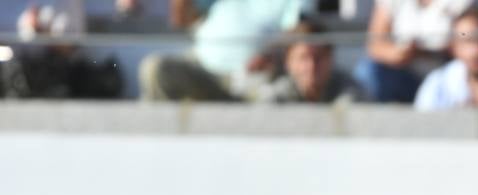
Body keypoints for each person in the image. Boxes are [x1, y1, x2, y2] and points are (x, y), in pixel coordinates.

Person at [139, 0, 308, 101]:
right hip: (203, 69)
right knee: (155, 69)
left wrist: (270, 52)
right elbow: (181, 20)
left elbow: (303, 29)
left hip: (256, 79)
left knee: (273, 100)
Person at [353, 0, 465, 103]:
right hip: (403, 76)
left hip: (444, 75)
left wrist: (423, 52)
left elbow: (467, 40)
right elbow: (374, 46)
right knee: (367, 70)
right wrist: (397, 54)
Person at [256, 16, 366, 103]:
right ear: (288, 61)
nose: (311, 66)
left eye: (318, 57)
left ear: (330, 58)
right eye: (303, 58)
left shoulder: (352, 93)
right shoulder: (275, 96)